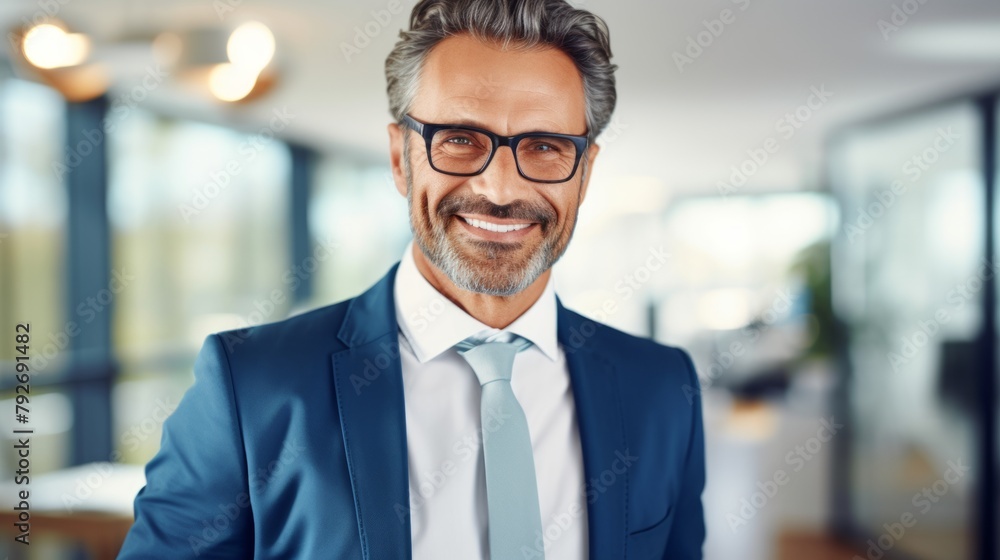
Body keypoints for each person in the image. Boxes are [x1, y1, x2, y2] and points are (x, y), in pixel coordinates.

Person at [118, 0, 706, 558]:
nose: (500, 190)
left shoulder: (662, 389)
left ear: (584, 172)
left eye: (546, 146)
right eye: (459, 139)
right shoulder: (251, 385)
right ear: (402, 157)